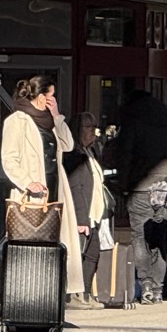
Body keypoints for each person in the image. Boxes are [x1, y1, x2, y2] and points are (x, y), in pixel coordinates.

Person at [0, 76, 84, 286]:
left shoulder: (50, 122)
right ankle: (29, 286)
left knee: (55, 241)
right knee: (32, 240)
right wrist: (27, 182)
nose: (53, 99)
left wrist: (57, 117)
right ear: (40, 96)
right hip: (33, 193)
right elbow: (9, 159)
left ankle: (53, 287)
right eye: (51, 95)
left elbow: (68, 145)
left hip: (54, 188)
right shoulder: (17, 121)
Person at [109, 89, 167, 306]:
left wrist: (123, 185)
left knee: (139, 236)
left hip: (140, 186)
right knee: (160, 237)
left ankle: (145, 283)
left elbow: (125, 155)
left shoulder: (133, 121)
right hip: (165, 186)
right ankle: (158, 288)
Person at [61, 111, 107, 306]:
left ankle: (86, 294)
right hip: (81, 213)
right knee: (78, 254)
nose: (93, 131)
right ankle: (73, 295)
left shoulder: (91, 152)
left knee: (92, 253)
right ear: (77, 130)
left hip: (94, 213)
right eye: (88, 127)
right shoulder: (73, 155)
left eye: (94, 127)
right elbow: (75, 188)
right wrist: (81, 219)